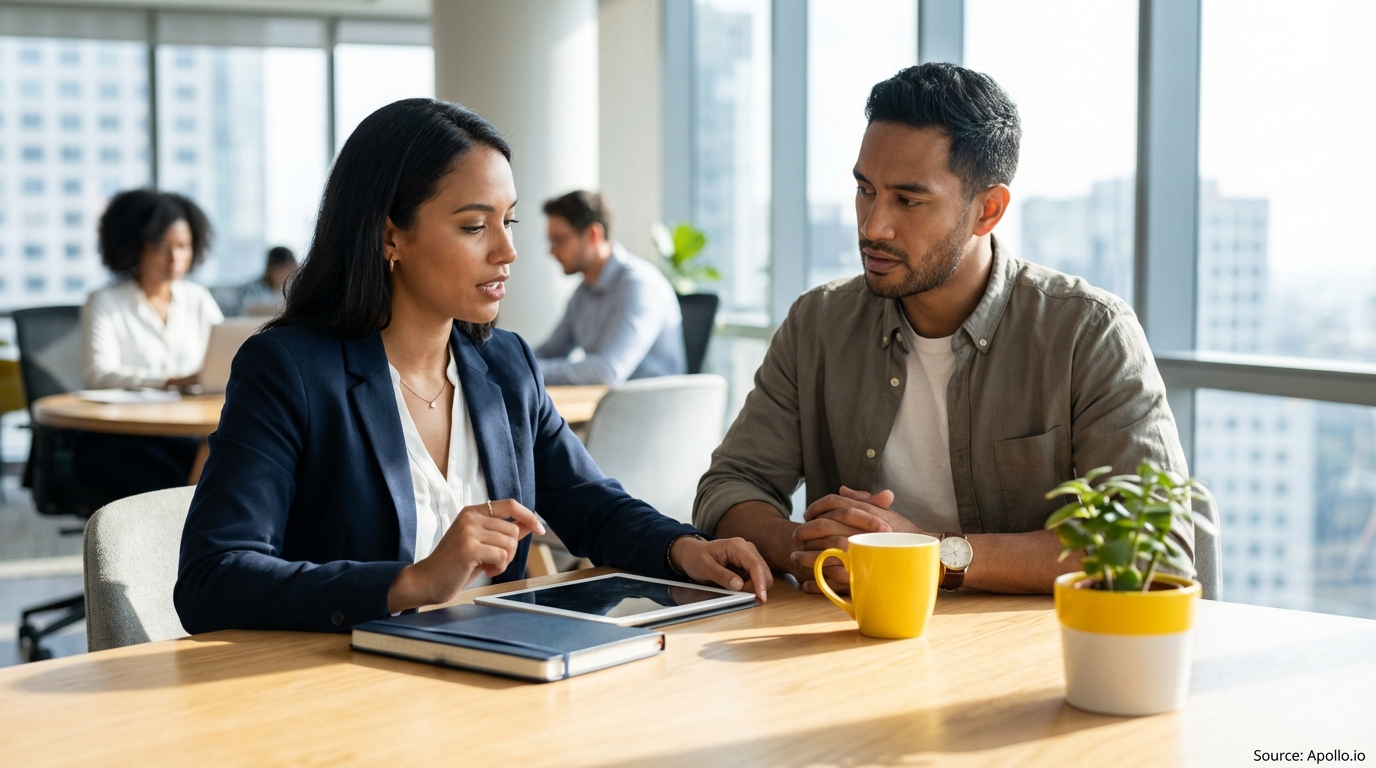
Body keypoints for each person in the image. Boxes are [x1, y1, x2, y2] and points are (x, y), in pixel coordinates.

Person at [174, 99, 770, 635]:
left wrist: (684, 549)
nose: (507, 251)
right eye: (473, 226)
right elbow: (214, 578)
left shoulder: (504, 365)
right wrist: (408, 583)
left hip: (499, 678)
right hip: (350, 704)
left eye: (507, 222)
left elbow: (592, 506)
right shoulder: (290, 370)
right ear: (389, 237)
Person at [693, 63, 1209, 595]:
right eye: (865, 190)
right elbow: (730, 486)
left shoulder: (1088, 333)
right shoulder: (818, 324)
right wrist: (808, 546)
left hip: (1026, 655)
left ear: (988, 210)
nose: (873, 226)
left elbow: (1157, 544)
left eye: (908, 200)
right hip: (853, 640)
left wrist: (927, 554)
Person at [75, 189, 222, 496]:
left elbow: (226, 353)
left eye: (183, 246)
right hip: (124, 436)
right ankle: (182, 532)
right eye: (160, 247)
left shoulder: (198, 299)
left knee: (226, 459)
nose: (175, 258)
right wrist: (169, 381)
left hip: (186, 429)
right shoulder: (105, 302)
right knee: (184, 485)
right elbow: (99, 375)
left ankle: (187, 531)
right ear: (133, 247)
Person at [534, 191, 686, 385]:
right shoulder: (584, 291)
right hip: (610, 406)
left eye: (559, 240)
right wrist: (506, 362)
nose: (551, 251)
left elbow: (607, 371)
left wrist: (527, 371)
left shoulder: (639, 285)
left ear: (593, 234)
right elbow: (551, 351)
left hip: (650, 411)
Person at [217, 246, 298, 317]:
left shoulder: (290, 293)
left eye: (290, 270)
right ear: (270, 269)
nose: (287, 275)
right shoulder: (249, 291)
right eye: (282, 270)